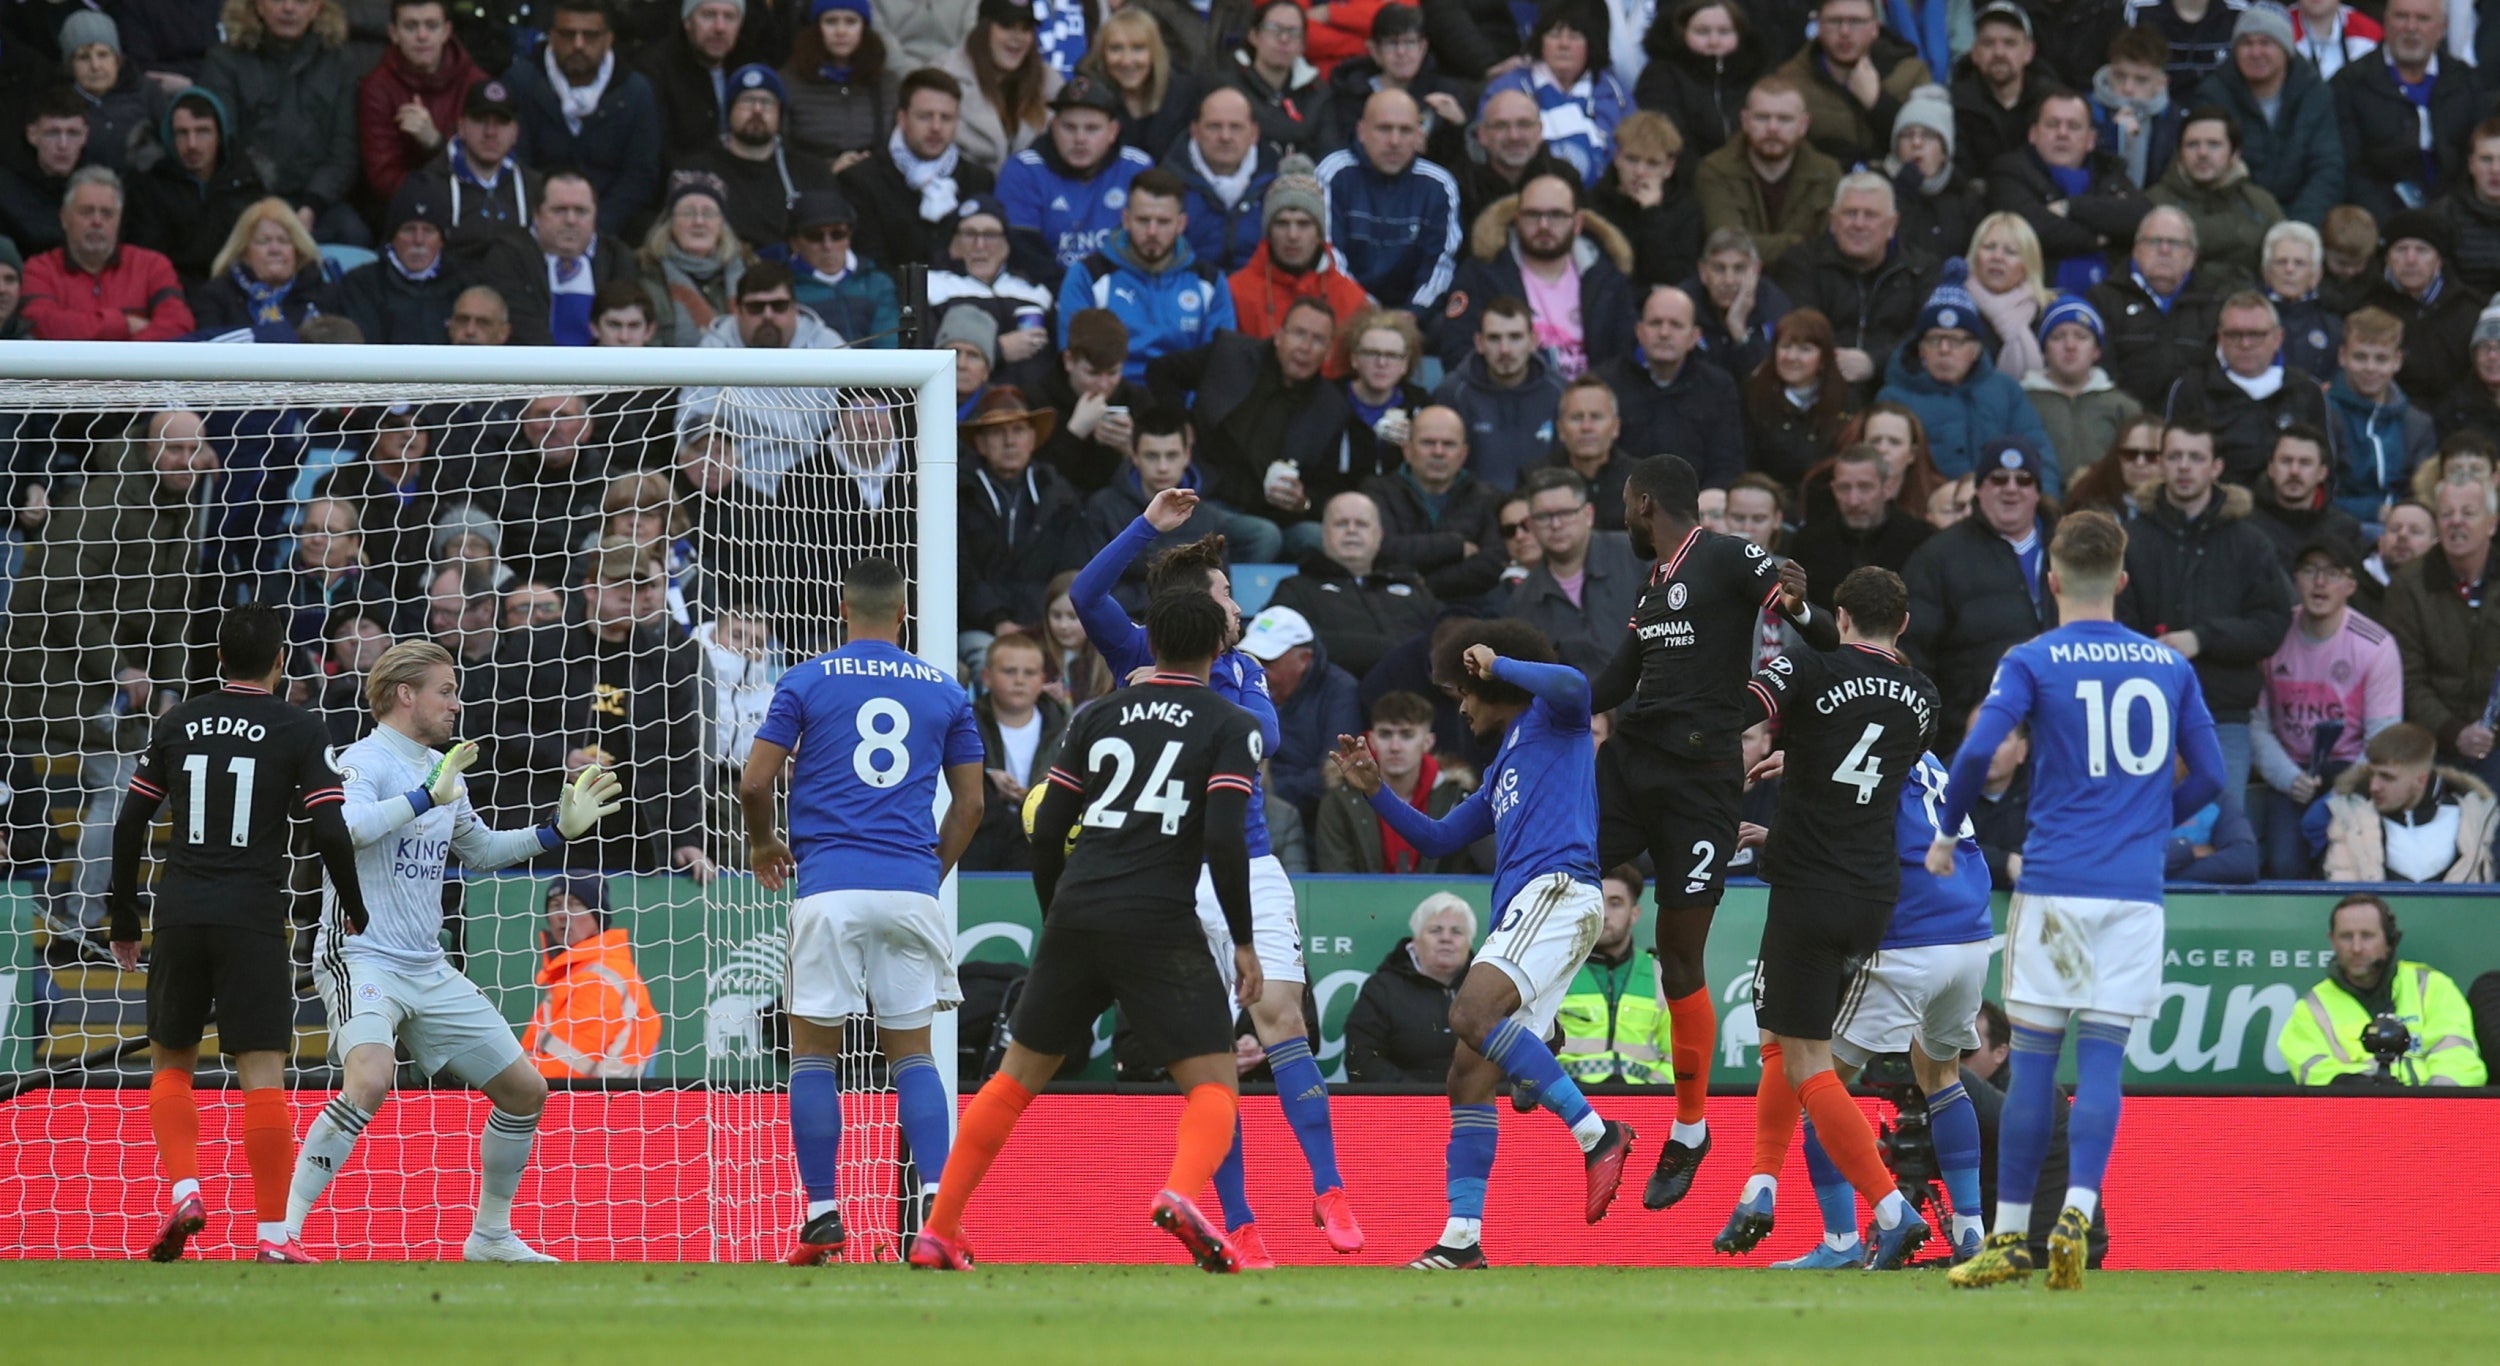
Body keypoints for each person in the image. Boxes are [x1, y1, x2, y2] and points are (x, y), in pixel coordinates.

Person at [912, 589, 1265, 1273]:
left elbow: (1046, 827)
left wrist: (1057, 913)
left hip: (1078, 907)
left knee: (1012, 1083)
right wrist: (1244, 941)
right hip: (1158, 917)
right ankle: (1181, 1193)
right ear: (1218, 649)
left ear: (1152, 642)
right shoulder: (1232, 723)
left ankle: (939, 1229)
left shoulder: (1098, 713)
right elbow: (1225, 839)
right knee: (1216, 1084)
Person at [1937, 509, 2225, 1292]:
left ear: (2051, 578)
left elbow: (1971, 751)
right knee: (2103, 1058)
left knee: (2033, 1063)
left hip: (2058, 884)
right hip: (2133, 893)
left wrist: (1944, 830)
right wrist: (2147, 821)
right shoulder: (2168, 666)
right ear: (2123, 580)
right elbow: (2211, 776)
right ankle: (2081, 1210)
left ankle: (2007, 1237)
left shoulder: (2033, 658)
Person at [1062, 502, 1357, 1261]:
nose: (1238, 607)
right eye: (1228, 596)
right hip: (1167, 869)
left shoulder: (1243, 669)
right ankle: (1241, 1221)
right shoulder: (1139, 644)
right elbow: (1087, 594)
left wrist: (1163, 694)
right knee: (1211, 1049)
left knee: (1282, 1019)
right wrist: (1146, 526)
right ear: (1196, 604)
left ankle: (1329, 1190)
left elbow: (1266, 738)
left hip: (1250, 863)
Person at [281, 641, 626, 1262]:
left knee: (526, 1092)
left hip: (424, 963)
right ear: (404, 695)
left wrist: (556, 831)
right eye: (445, 691)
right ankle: (282, 1234)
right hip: (362, 954)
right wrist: (424, 798)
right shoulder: (361, 761)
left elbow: (481, 851)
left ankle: (491, 1236)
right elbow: (346, 829)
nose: (455, 704)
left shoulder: (446, 770)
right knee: (370, 1079)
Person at [1330, 620, 1638, 1270]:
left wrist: (1502, 663)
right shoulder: (1502, 765)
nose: (1461, 708)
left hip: (1556, 890)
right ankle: (1462, 1240)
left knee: (1469, 1014)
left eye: (1463, 694)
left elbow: (1576, 684)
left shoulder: (1556, 718)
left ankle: (1597, 1133)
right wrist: (1375, 792)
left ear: (1489, 681)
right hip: (1536, 908)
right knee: (1466, 1076)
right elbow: (1438, 838)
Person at [1590, 454, 1834, 1208]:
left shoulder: (1725, 554)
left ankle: (1690, 1129)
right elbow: (1612, 684)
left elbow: (1816, 632)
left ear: (1642, 503)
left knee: (1679, 954)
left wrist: (1795, 607)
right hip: (1633, 764)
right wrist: (1528, 692)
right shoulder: (1655, 584)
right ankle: (1525, 1044)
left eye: (1625, 505)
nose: (1624, 516)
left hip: (1700, 785)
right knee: (1566, 885)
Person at [734, 555, 984, 1262]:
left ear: (843, 610)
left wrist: (761, 845)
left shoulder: (807, 678)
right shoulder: (944, 689)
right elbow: (971, 805)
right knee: (913, 1056)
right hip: (908, 887)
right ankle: (938, 1214)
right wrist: (924, 874)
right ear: (904, 614)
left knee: (814, 1054)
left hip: (830, 888)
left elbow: (755, 783)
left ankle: (821, 1214)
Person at [101, 605, 369, 1264]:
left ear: (218, 660)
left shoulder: (177, 721)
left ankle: (186, 1192)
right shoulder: (299, 726)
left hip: (182, 910)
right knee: (263, 1077)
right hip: (252, 914)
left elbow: (130, 821)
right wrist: (355, 907)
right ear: (280, 662)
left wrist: (126, 916)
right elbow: (330, 830)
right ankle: (274, 1236)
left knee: (171, 1063)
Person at [1716, 565, 1943, 1271]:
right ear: (1902, 624)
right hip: (1874, 893)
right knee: (1787, 1034)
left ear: (1839, 614)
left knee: (1806, 1059)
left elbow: (1746, 706)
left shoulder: (1806, 667)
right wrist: (1809, 753)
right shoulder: (1926, 696)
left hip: (1807, 885)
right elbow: (1861, 742)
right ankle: (1759, 1184)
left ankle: (1890, 1209)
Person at [1749, 748, 1996, 1266]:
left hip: (1913, 932)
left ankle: (1842, 1240)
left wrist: (1784, 842)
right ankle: (1972, 1232)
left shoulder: (1865, 746)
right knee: (1943, 1076)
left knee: (1816, 1081)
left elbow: (1854, 845)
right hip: (1971, 931)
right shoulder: (1924, 755)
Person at [2115, 417, 2294, 799]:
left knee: (2226, 830)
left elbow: (2271, 625)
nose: (2184, 467)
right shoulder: (2131, 540)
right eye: (2175, 456)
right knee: (2143, 831)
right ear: (2161, 463)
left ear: (2216, 468)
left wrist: (2204, 638)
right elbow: (2112, 620)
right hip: (2143, 712)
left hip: (2222, 714)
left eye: (2195, 457)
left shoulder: (2250, 543)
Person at [2249, 535, 2399, 877]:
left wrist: (2345, 787)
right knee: (2283, 864)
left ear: (2350, 584)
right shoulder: (2273, 635)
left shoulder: (2376, 645)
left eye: (2332, 572)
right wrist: (2288, 779)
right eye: (2310, 570)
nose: (2319, 582)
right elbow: (2256, 724)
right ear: (2295, 579)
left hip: (2351, 770)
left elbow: (2382, 737)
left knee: (2339, 861)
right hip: (2289, 767)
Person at [1900, 435, 2057, 748]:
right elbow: (1913, 657)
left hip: (2059, 732)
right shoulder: (1938, 557)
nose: (2011, 488)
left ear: (2038, 491)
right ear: (1980, 490)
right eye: (1998, 479)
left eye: (2024, 480)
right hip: (1971, 738)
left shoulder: (2069, 550)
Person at [1436, 173, 1636, 381]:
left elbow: (1624, 354)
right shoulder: (1481, 274)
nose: (1544, 226)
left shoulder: (1607, 278)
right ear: (1517, 220)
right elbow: (1457, 350)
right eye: (1533, 215)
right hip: (1508, 399)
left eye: (1556, 215)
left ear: (1577, 223)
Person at [1878, 262, 2060, 487]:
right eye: (1934, 339)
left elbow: (2039, 454)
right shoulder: (1894, 397)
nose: (1944, 349)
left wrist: (2044, 507)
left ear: (1975, 350)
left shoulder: (2006, 391)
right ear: (1921, 348)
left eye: (1956, 340)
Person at [199, 0, 364, 246]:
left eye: (301, 1)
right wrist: (265, 209)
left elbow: (344, 149)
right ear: (257, 5)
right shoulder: (224, 61)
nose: (288, 8)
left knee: (353, 234)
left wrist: (312, 205)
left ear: (317, 7)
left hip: (316, 201)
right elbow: (222, 145)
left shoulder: (341, 62)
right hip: (245, 201)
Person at [2277, 894, 2487, 1086]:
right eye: (2346, 936)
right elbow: (2314, 1072)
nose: (2356, 948)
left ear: (2390, 941)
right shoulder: (2312, 1007)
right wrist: (2363, 1087)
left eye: (2367, 936)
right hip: (2355, 1118)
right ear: (2332, 941)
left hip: (2431, 1117)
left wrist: (2430, 1107)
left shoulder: (2431, 986)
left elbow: (2459, 1060)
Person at [1056, 167, 1234, 379]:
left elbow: (1220, 363)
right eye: (1143, 220)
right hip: (1111, 399)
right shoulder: (1087, 276)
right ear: (1125, 219)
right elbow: (1078, 362)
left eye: (1163, 222)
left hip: (1184, 404)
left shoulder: (1209, 281)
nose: (1152, 231)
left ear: (1181, 224)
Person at [508, 0, 664, 239]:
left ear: (609, 38)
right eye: (568, 35)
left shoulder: (635, 92)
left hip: (611, 229)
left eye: (589, 36)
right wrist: (546, 219)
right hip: (534, 223)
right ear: (551, 35)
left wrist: (596, 227)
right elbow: (516, 162)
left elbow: (640, 175)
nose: (578, 45)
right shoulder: (522, 82)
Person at [1770, 175, 1939, 393]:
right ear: (1833, 220)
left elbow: (1925, 334)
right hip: (1818, 387)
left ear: (1892, 224)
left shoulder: (1921, 270)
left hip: (1899, 388)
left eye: (1871, 215)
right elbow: (1800, 329)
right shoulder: (1801, 262)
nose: (1859, 224)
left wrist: (1874, 362)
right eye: (1850, 213)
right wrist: (1834, 361)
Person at [2382, 476, 2500, 784]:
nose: (2455, 522)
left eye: (2468, 513)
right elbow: (2408, 679)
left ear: (2491, 523)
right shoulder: (2408, 587)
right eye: (2446, 514)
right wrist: (2455, 733)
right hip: (2432, 741)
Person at [1315, 89, 1461, 317]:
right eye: (1384, 129)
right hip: (1345, 311)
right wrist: (1365, 308)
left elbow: (1439, 264)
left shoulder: (1439, 185)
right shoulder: (1334, 173)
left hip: (1414, 318)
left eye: (1405, 131)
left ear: (1419, 135)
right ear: (1362, 131)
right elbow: (1329, 252)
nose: (1394, 141)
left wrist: (1413, 313)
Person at [2196, 2, 2342, 228]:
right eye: (2246, 43)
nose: (2256, 52)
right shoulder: (2213, 95)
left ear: (2285, 49)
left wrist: (2295, 227)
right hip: (2235, 223)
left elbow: (2327, 169)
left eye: (2266, 43)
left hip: (2303, 222)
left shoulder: (2315, 93)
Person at [2330, 0, 2477, 223]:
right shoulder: (2349, 84)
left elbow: (2475, 162)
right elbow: (2350, 170)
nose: (2411, 27)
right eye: (2401, 16)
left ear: (2442, 28)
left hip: (2456, 221)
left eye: (2423, 19)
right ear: (2386, 22)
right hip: (2377, 223)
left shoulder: (2467, 83)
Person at [841, 69, 1001, 273]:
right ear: (901, 118)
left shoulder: (978, 180)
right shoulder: (860, 180)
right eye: (925, 116)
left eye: (946, 118)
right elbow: (871, 268)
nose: (936, 127)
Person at [2160, 290, 2329, 482]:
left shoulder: (2306, 390)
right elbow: (2171, 462)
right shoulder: (2190, 389)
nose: (2245, 344)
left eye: (2256, 334)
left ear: (2278, 338)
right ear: (2220, 338)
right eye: (2234, 334)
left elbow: (2327, 466)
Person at [1267, 490, 1439, 677]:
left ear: (1379, 535)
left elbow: (1448, 635)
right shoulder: (1296, 588)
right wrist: (1394, 651)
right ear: (1324, 534)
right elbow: (1288, 645)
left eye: (1362, 524)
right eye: (1341, 523)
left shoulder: (1412, 588)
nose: (1351, 530)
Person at [1002, 74, 1154, 281]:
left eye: (1092, 129)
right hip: (1042, 289)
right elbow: (1022, 249)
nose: (1080, 139)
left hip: (1122, 288)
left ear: (1113, 131)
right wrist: (1074, 290)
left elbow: (1151, 240)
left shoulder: (1137, 168)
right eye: (1069, 127)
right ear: (1053, 127)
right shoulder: (1024, 169)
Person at [1593, 284, 1745, 489]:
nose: (1664, 333)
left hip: (1696, 508)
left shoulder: (1718, 387)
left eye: (1676, 325)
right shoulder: (1604, 383)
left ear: (1694, 337)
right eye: (1655, 323)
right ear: (1639, 331)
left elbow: (1727, 464)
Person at [1314, 689, 1484, 872]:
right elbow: (1337, 882)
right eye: (1386, 734)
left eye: (1407, 735)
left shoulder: (1457, 797)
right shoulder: (1340, 800)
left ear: (1428, 742)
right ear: (1371, 740)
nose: (1395, 747)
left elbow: (1463, 878)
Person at [19, 167, 193, 340]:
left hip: (135, 368)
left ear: (119, 219)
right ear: (64, 218)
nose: (97, 221)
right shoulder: (38, 270)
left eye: (107, 213)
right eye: (87, 212)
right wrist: (122, 325)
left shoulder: (153, 266)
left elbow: (179, 325)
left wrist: (121, 359)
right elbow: (41, 325)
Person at [2310, 721, 2499, 881]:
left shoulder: (2478, 820)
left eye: (2387, 777)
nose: (2374, 786)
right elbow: (2343, 890)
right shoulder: (2348, 818)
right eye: (2372, 775)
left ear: (2420, 780)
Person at [1363, 402, 1511, 603]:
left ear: (1463, 454)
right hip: (1393, 607)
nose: (1438, 452)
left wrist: (1427, 585)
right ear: (1407, 450)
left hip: (1469, 610)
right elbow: (1381, 550)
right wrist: (1455, 546)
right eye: (1428, 443)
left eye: (1449, 444)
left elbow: (1493, 562)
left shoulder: (1489, 498)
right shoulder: (1378, 491)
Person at [521, 872, 659, 1081]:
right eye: (555, 905)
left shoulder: (600, 978)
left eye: (575, 904)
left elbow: (564, 1071)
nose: (562, 914)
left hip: (597, 1107)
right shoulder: (574, 974)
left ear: (598, 916)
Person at [1227, 152, 1369, 348]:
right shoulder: (1235, 292)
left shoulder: (1351, 299)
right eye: (1282, 223)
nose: (1292, 235)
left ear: (1319, 233)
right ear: (1268, 231)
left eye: (1304, 224)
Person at [1238, 602, 1360, 828]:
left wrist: (1265, 788)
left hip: (1314, 826)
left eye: (1267, 662)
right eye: (1251, 659)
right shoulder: (1242, 684)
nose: (1257, 670)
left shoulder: (1340, 692)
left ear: (1304, 659)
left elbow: (1332, 775)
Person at [2087, 204, 2223, 406]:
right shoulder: (2103, 299)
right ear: (2136, 250)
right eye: (2154, 242)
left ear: (2191, 255)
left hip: (2192, 426)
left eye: (2175, 243)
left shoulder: (2213, 303)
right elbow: (2102, 373)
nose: (2164, 250)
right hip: (2125, 424)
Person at [1696, 75, 1839, 266]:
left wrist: (1756, 245)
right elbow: (1729, 248)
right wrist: (1801, 244)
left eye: (1784, 119)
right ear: (1745, 121)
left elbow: (1832, 248)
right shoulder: (1715, 170)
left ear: (1803, 125)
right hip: (1735, 283)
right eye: (1762, 118)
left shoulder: (1827, 173)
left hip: (1809, 286)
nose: (1773, 128)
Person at [1481, 0, 1631, 182]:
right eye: (1554, 35)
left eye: (1575, 36)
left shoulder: (1615, 92)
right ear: (1540, 40)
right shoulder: (1507, 87)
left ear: (1591, 43)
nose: (1563, 44)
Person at [357, 0, 485, 205]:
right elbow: (382, 179)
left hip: (471, 205)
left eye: (431, 26)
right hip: (405, 210)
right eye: (410, 26)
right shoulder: (377, 88)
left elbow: (487, 167)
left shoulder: (475, 83)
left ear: (446, 31)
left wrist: (435, 143)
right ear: (393, 33)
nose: (422, 36)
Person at [1431, 297, 1566, 491]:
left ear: (1533, 341)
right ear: (1479, 343)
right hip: (1473, 512)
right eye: (1494, 338)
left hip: (1545, 510)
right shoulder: (1452, 393)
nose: (1505, 349)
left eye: (1515, 337)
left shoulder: (1560, 392)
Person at [1778, 0, 1933, 170]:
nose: (1845, 31)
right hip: (1823, 188)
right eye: (1835, 21)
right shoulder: (1790, 80)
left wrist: (1878, 102)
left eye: (1856, 22)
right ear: (1818, 27)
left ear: (1875, 28)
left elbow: (1927, 150)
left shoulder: (1911, 72)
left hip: (1896, 188)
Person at [1553, 866, 1671, 1086]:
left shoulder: (1660, 976)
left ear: (1634, 914)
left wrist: (1651, 1097)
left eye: (1615, 903)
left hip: (1643, 1107)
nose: (1604, 913)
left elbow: (1678, 1058)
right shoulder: (1555, 972)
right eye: (1596, 902)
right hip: (1569, 1107)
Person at [2146, 106, 2283, 291]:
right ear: (2179, 153)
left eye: (2214, 144)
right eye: (2192, 145)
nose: (2202, 153)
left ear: (2235, 154)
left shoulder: (2261, 205)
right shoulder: (2153, 203)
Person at [1341, 892, 1472, 1082]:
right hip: (1404, 1107)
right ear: (1415, 941)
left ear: (1469, 942)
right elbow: (1362, 1060)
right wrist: (1419, 1100)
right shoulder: (1381, 989)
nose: (1446, 938)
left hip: (1480, 1106)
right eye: (1435, 930)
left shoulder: (1490, 989)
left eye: (1457, 931)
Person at [1787, 443, 1936, 602]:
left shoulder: (1920, 542)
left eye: (1865, 487)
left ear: (1888, 488)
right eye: (1844, 488)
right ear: (1833, 489)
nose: (1854, 500)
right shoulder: (1809, 543)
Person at [2364, 210, 2480, 413]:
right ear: (2387, 258)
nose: (2410, 259)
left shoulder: (2468, 310)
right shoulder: (2369, 308)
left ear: (2439, 260)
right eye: (2401, 249)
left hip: (2458, 419)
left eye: (2422, 250)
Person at [2022, 294, 2142, 487]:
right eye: (2057, 337)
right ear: (2044, 349)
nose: (2070, 346)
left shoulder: (2122, 406)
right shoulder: (2022, 402)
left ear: (2096, 350)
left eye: (2081, 336)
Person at [184, 196, 336, 341]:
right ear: (244, 251)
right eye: (264, 241)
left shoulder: (323, 294)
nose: (275, 249)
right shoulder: (215, 297)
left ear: (297, 249)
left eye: (284, 241)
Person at [1636, 0, 1766, 167]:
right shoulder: (1661, 77)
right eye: (1702, 32)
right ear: (1683, 32)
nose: (1714, 41)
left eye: (1724, 32)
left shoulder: (1755, 75)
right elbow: (1668, 140)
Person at [1157, 86, 1272, 274]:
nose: (1225, 137)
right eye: (1214, 126)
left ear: (1254, 133)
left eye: (1236, 127)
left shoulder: (1276, 184)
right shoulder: (1167, 184)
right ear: (1195, 130)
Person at [937, 0, 1062, 173]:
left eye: (1025, 28)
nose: (1017, 37)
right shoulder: (946, 76)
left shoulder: (1051, 85)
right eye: (1007, 26)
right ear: (983, 29)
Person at [1745, 308, 1854, 495]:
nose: (1792, 357)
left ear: (1823, 358)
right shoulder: (1754, 396)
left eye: (1805, 349)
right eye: (1785, 346)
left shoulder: (1846, 399)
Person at [1452, 87, 1581, 235]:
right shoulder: (1461, 183)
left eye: (1524, 124)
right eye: (1501, 125)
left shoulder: (1565, 177)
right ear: (1482, 135)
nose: (1514, 136)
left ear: (1540, 131)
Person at [1219, 0, 1334, 160]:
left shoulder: (1317, 92)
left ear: (1303, 44)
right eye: (1274, 29)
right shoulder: (1227, 86)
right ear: (1253, 36)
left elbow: (1329, 150)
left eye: (1294, 32)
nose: (1284, 39)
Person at [1887, 84, 1984, 264]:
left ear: (1944, 152)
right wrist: (1901, 195)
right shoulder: (1879, 191)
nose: (1916, 143)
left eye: (1928, 135)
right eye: (1907, 135)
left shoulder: (1966, 199)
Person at [2248, 426, 2367, 571]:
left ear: (2322, 473)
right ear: (2271, 469)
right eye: (2286, 461)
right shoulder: (2247, 527)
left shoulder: (2345, 530)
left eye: (2305, 463)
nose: (2294, 471)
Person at [1966, 211, 2056, 381]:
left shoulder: (2048, 313)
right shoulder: (1956, 306)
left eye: (2011, 252)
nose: (1997, 257)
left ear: (2028, 263)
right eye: (1989, 247)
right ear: (1975, 254)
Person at [2261, 219, 2342, 381]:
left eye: (2299, 263)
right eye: (2281, 262)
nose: (2289, 269)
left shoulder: (2333, 326)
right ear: (2266, 272)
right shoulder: (2246, 316)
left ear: (2316, 275)